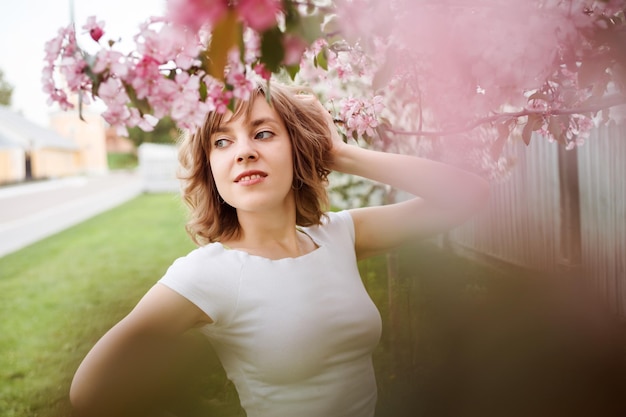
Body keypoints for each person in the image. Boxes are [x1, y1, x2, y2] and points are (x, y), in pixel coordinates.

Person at [69, 80, 489, 417]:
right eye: (221, 142)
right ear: (211, 168)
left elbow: (467, 194)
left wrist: (338, 152)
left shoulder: (339, 236)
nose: (244, 151)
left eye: (263, 133)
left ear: (297, 147)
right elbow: (89, 394)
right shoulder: (205, 275)